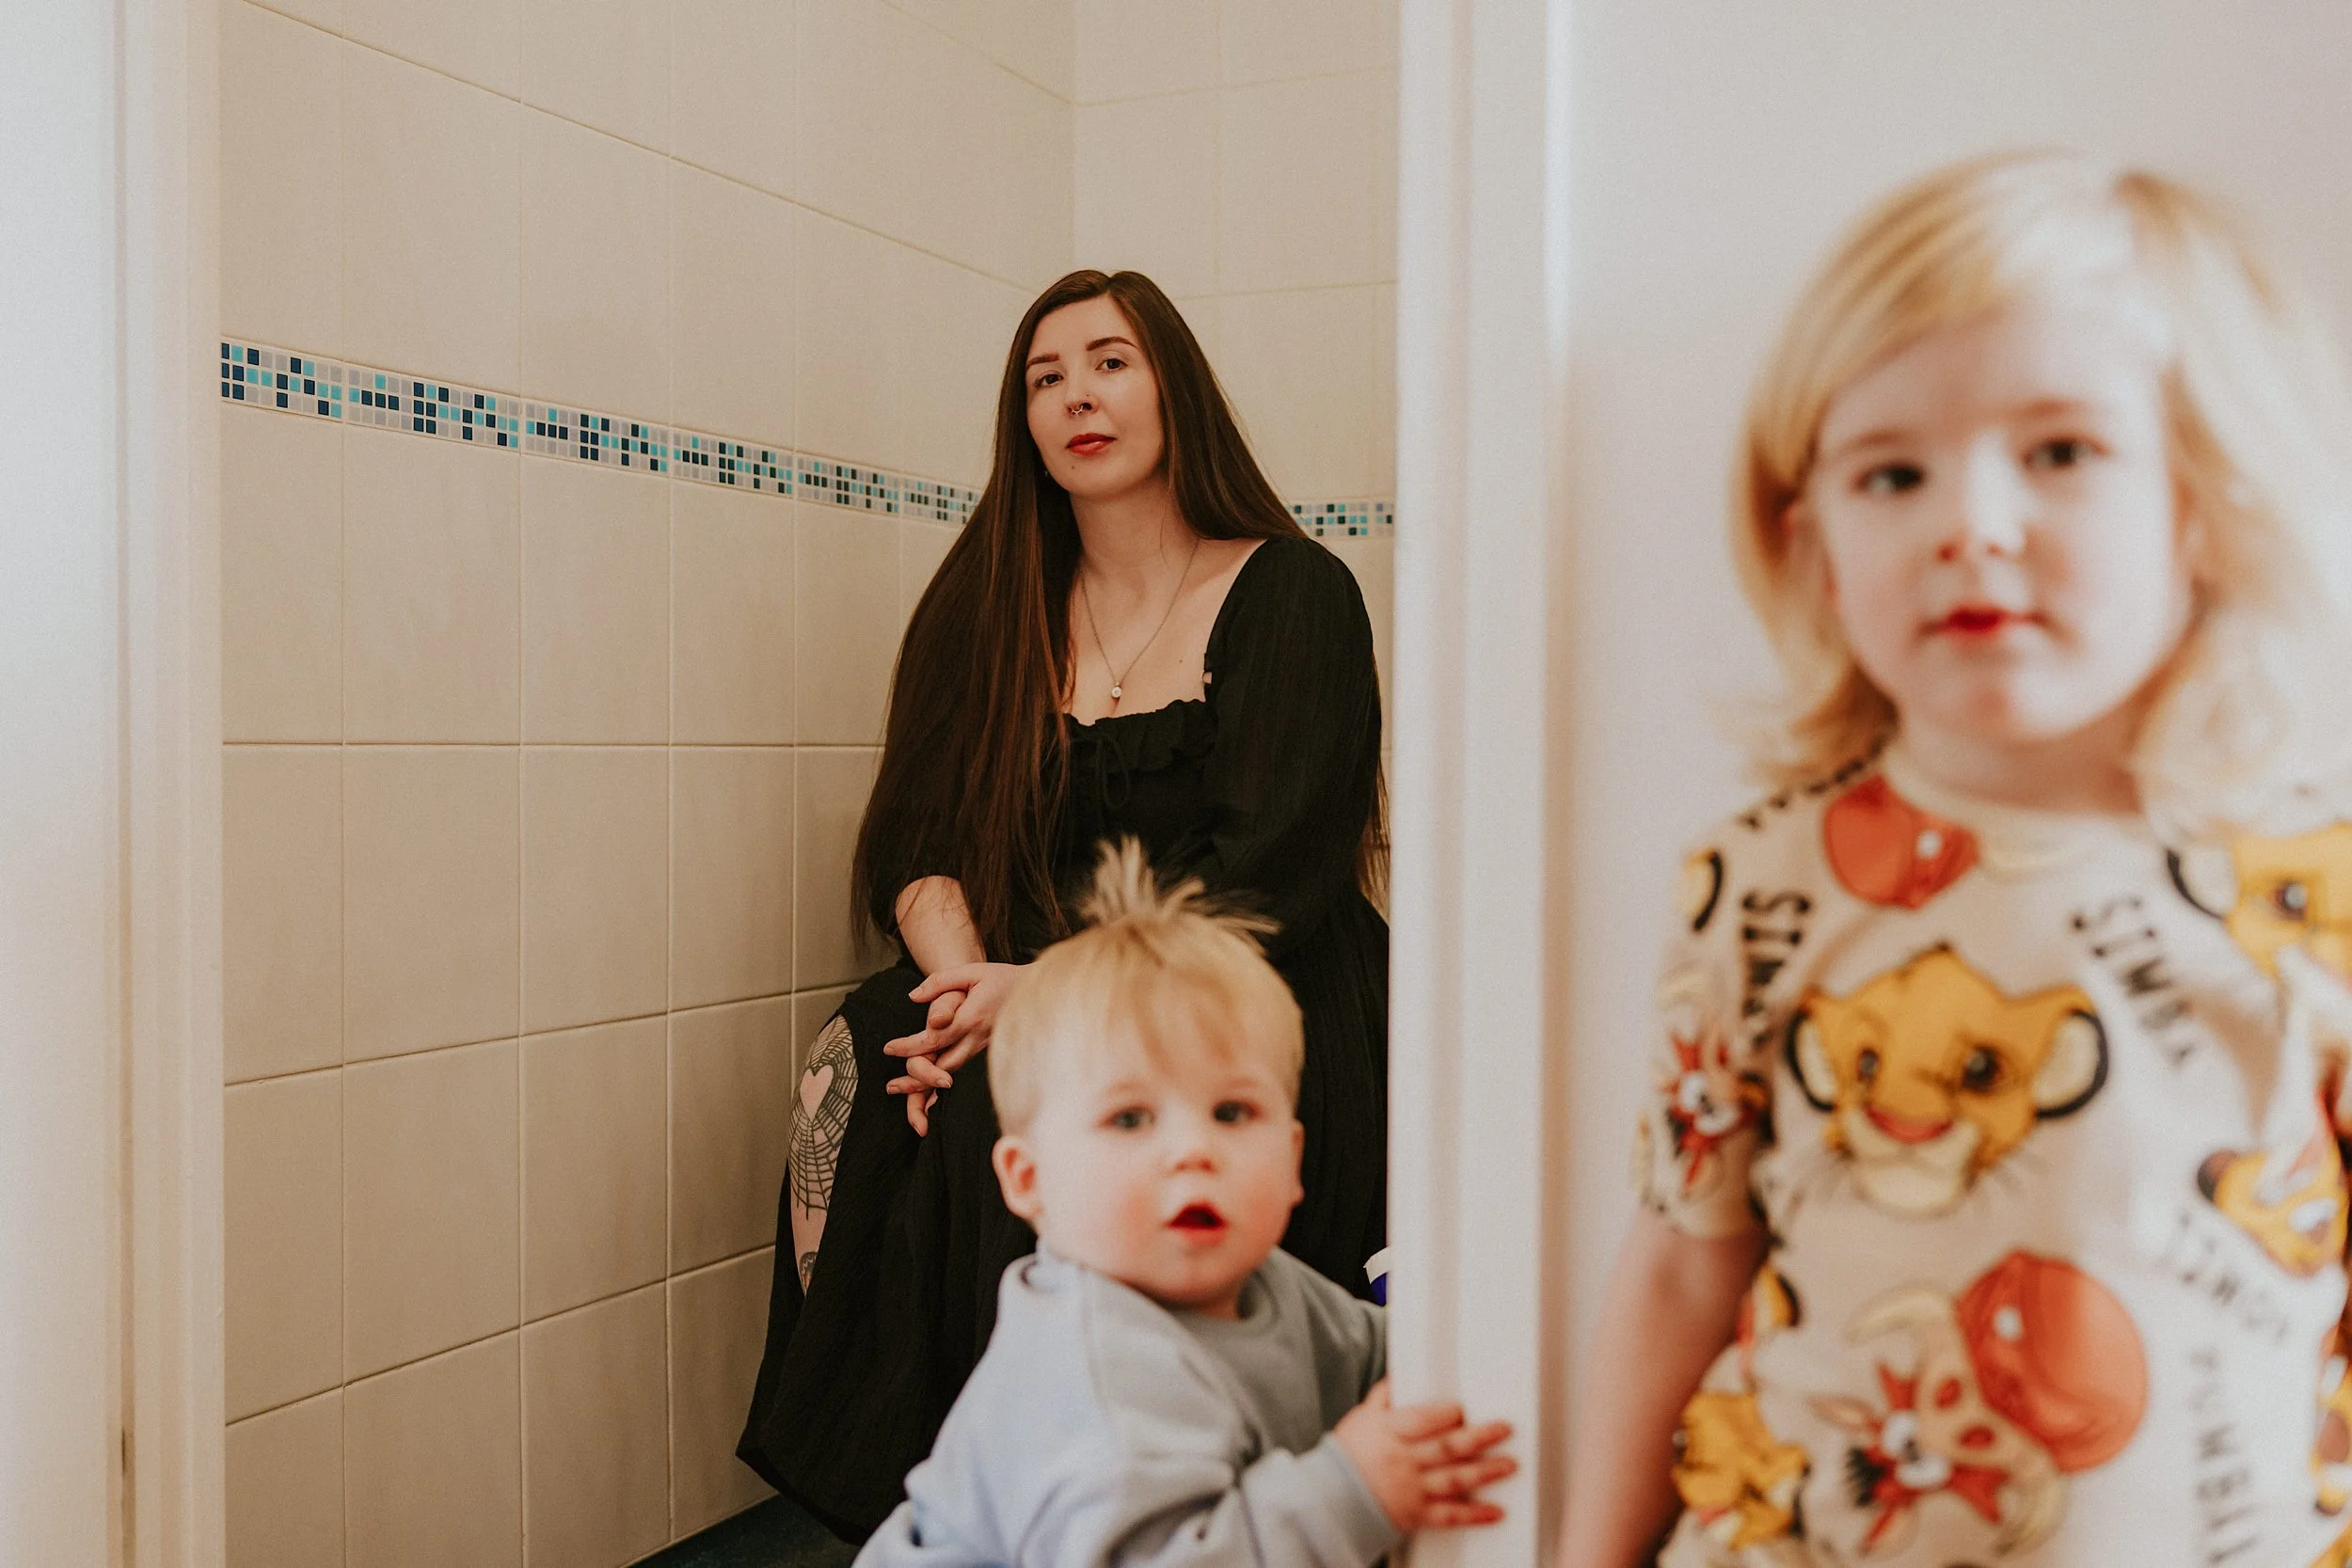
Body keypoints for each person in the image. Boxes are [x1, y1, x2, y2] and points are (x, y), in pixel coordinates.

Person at [1561, 150, 2352, 1567]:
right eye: (1893, 472)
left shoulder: (2312, 896)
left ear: (2200, 505)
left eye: (2060, 452)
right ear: (1816, 548)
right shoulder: (1758, 881)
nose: (1970, 524)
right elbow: (1683, 1260)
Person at [740, 269, 1390, 1540]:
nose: (1077, 396)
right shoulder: (987, 603)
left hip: (1242, 980)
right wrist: (959, 988)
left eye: (1110, 362)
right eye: (1047, 377)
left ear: (1174, 388)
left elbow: (1272, 865)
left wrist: (1045, 999)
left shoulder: (1291, 590)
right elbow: (915, 839)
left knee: (1043, 1090)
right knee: (867, 1054)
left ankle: (1089, 1496)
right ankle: (941, 1495)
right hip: (1011, 975)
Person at [858, 842, 1512, 1568]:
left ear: (1293, 1158)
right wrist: (1351, 1487)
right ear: (1029, 1179)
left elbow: (1387, 1357)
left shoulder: (1271, 1288)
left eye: (1232, 1112)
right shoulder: (1090, 1371)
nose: (1194, 1150)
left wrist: (1493, 1338)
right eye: (1130, 1118)